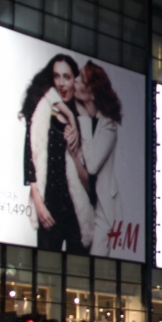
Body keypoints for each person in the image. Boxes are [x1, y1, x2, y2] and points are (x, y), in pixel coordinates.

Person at [22, 54, 94, 253]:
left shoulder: (83, 120)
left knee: (76, 276)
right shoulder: (40, 113)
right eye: (57, 77)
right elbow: (30, 164)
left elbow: (90, 183)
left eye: (67, 77)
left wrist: (74, 152)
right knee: (44, 274)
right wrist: (39, 205)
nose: (62, 83)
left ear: (74, 81)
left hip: (75, 214)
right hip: (49, 209)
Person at [61, 62, 122, 255]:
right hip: (79, 206)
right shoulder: (74, 114)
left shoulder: (108, 125)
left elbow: (92, 165)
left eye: (81, 79)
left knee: (95, 265)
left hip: (102, 210)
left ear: (93, 93)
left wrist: (85, 120)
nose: (74, 82)